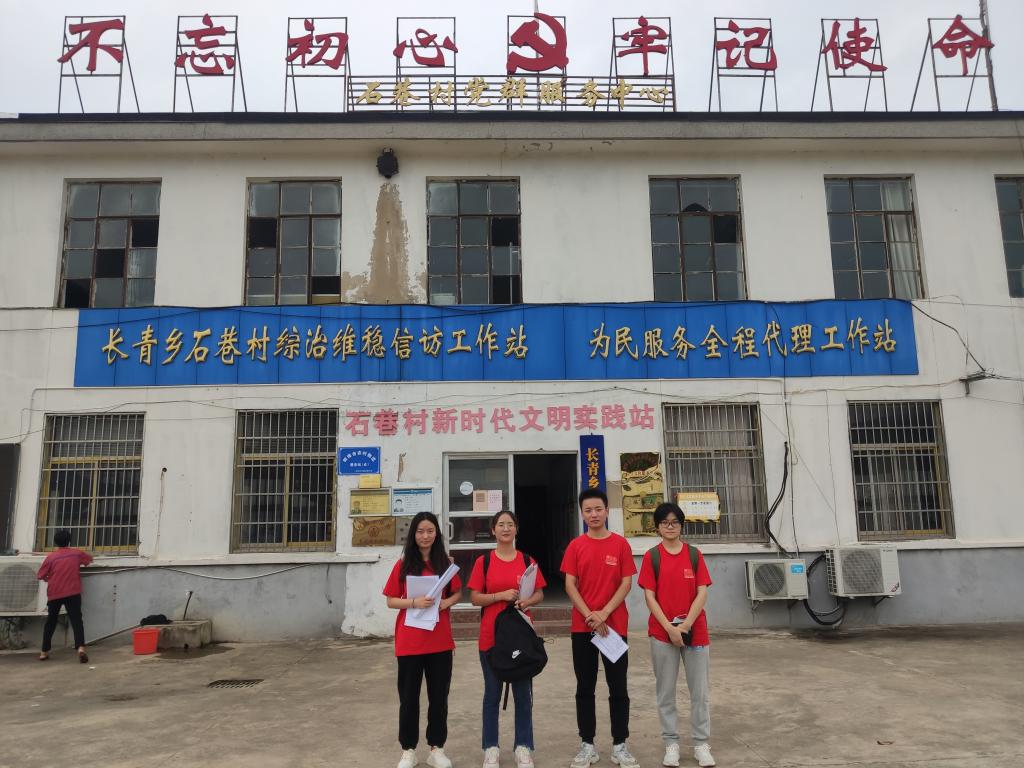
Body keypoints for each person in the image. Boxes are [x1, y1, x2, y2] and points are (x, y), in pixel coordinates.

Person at [561, 488, 640, 768]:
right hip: (583, 628)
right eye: (588, 510)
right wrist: (590, 616)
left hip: (614, 628)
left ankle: (620, 745)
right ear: (582, 514)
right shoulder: (575, 546)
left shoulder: (620, 545)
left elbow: (626, 583)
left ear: (607, 511)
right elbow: (570, 584)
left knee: (618, 687)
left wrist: (604, 613)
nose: (593, 514)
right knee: (585, 687)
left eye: (598, 509)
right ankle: (587, 745)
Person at [468, 510, 547, 768]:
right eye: (500, 525)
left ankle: (523, 747)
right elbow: (474, 598)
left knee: (523, 695)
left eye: (510, 524)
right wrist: (500, 596)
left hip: (521, 638)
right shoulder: (484, 562)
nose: (505, 529)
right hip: (491, 638)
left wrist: (528, 601)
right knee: (492, 694)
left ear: (516, 529)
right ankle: (490, 748)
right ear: (493, 530)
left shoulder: (527, 560)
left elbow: (540, 593)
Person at [638, 503, 715, 768]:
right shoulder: (652, 557)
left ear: (681, 525)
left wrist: (685, 625)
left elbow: (702, 592)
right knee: (665, 692)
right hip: (662, 633)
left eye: (674, 522)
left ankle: (701, 744)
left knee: (700, 692)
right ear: (657, 527)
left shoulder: (694, 555)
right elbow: (649, 596)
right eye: (664, 522)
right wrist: (670, 629)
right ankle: (671, 744)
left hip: (695, 632)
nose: (670, 526)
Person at [383, 511, 462, 768]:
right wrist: (414, 602)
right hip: (410, 643)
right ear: (413, 534)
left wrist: (445, 603)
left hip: (439, 642)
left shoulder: (445, 565)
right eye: (420, 531)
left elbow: (457, 593)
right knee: (409, 699)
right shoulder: (403, 565)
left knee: (439, 698)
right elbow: (391, 600)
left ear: (437, 534)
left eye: (430, 531)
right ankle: (408, 750)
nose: (425, 536)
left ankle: (436, 748)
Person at [36, 529, 92, 662]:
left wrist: (49, 578)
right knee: (77, 620)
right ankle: (81, 648)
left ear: (55, 542)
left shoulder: (51, 557)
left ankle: (44, 652)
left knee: (51, 621)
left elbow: (40, 575)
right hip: (73, 592)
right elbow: (89, 560)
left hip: (55, 592)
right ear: (69, 541)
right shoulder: (76, 554)